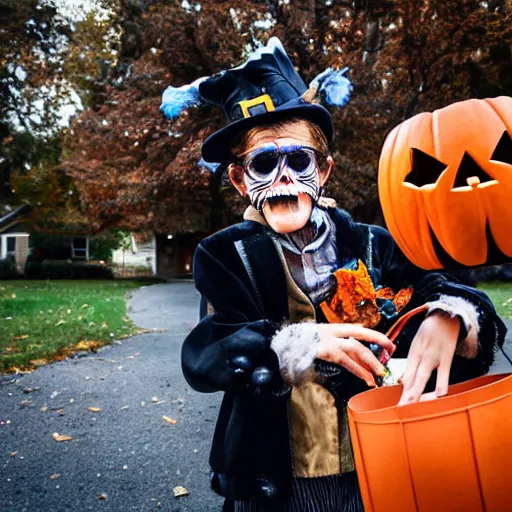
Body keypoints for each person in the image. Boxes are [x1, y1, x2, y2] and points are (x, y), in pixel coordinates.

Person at [179, 38, 506, 512]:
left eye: (298, 160)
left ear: (325, 170)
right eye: (264, 164)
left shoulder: (372, 242)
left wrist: (448, 315)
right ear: (239, 180)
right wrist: (299, 342)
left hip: (375, 456)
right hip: (279, 471)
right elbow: (208, 350)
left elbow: (448, 287)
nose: (283, 178)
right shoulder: (225, 255)